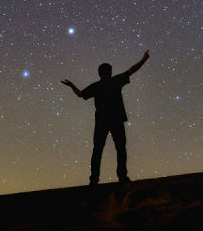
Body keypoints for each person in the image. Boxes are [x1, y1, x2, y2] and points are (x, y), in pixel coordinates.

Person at [61, 50, 150, 185]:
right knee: (120, 148)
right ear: (110, 72)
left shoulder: (96, 86)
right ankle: (122, 177)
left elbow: (80, 94)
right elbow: (132, 70)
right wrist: (143, 60)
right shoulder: (115, 81)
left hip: (102, 121)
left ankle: (94, 179)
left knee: (98, 150)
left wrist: (72, 85)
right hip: (116, 120)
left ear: (99, 73)